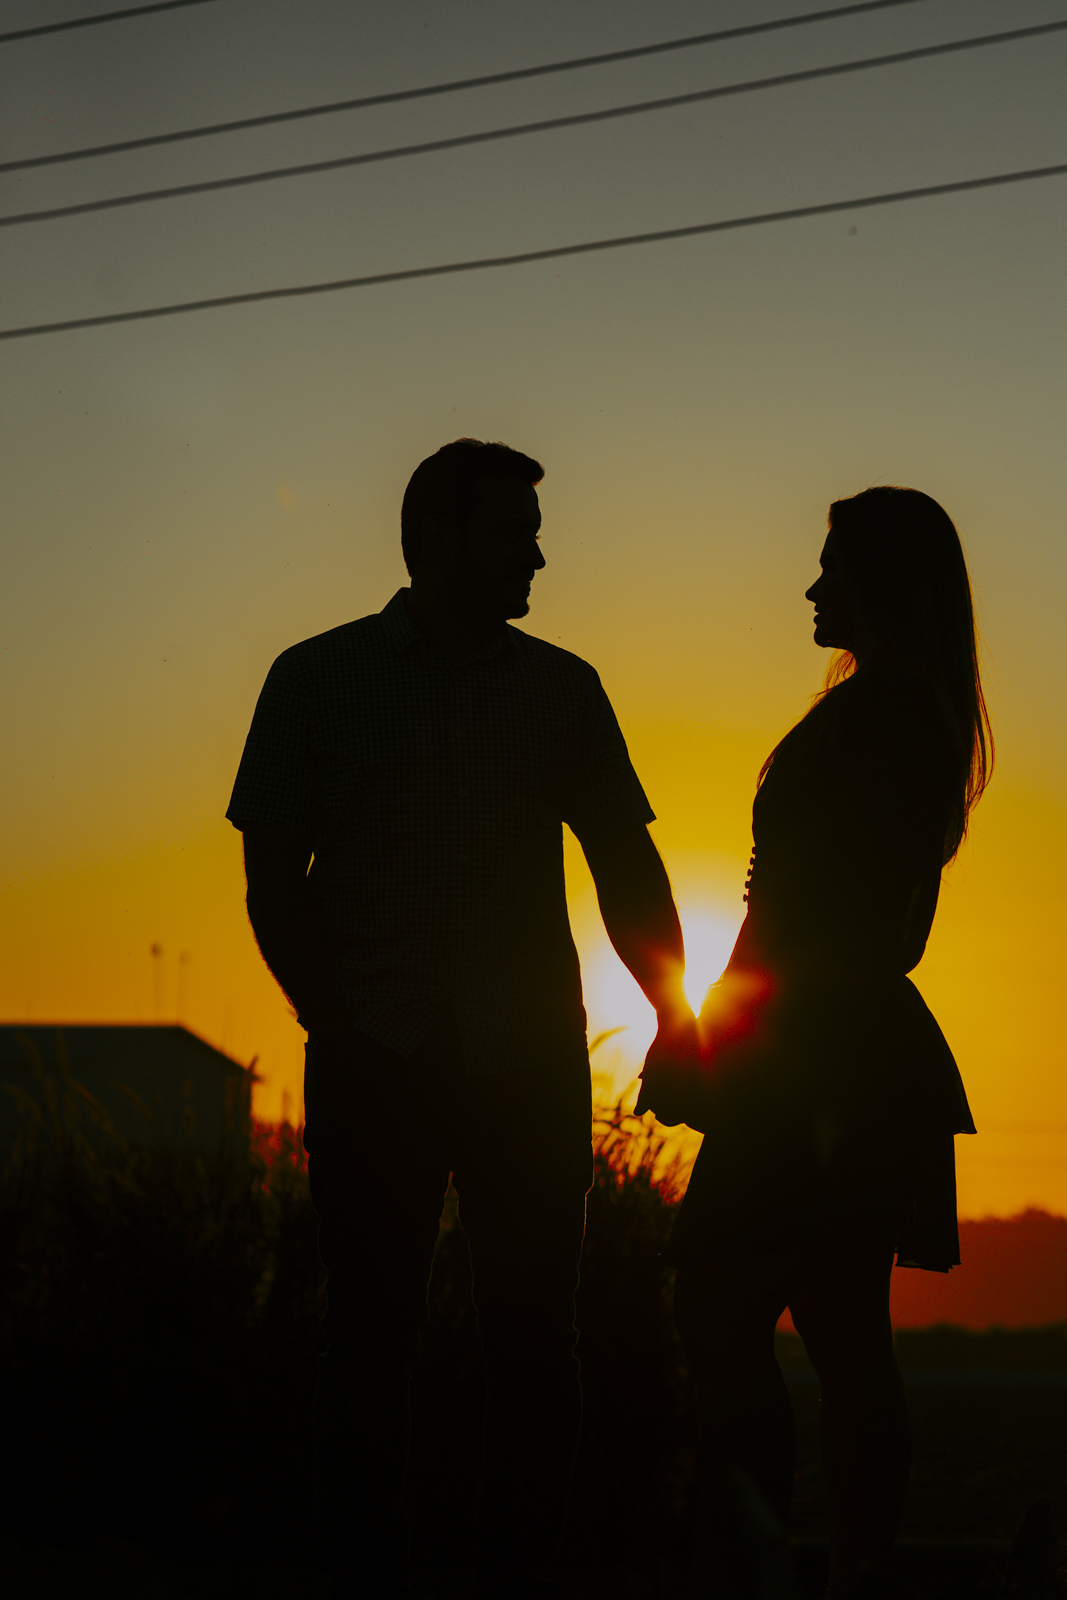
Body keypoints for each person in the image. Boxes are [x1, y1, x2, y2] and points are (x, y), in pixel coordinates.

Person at [226, 439, 694, 1599]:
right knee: (367, 1345)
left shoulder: (562, 689)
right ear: (437, 539)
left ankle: (518, 1577)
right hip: (371, 1061)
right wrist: (330, 1023)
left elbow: (623, 862)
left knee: (537, 1346)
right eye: (511, 533)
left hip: (525, 1066)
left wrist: (678, 1014)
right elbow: (271, 876)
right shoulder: (313, 679)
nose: (536, 555)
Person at [636, 486, 990, 1597]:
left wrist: (710, 1030)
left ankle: (765, 1561)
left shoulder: (880, 716)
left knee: (726, 1307)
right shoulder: (915, 715)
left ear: (879, 580)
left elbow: (789, 905)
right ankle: (841, 1571)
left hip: (811, 1050)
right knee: (838, 1329)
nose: (811, 586)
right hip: (849, 1043)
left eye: (830, 566)